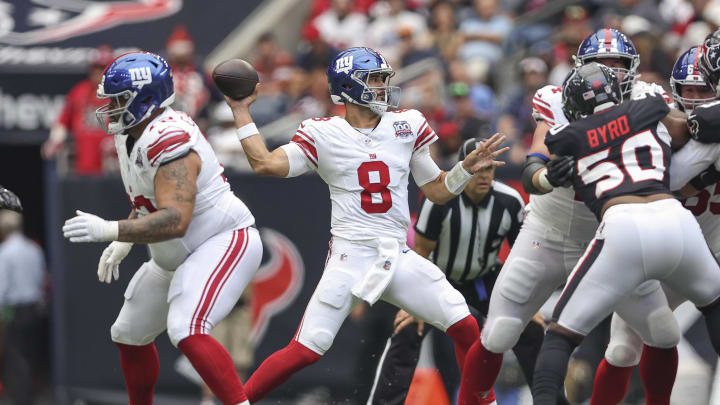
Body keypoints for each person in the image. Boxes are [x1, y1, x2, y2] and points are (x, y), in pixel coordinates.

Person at [223, 47, 508, 404]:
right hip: (351, 255)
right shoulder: (323, 132)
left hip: (397, 252)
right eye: (374, 79)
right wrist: (240, 111)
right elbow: (265, 164)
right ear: (348, 86)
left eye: (382, 79)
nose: (382, 86)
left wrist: (464, 169)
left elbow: (436, 191)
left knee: (467, 327)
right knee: (307, 349)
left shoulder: (406, 125)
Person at [458, 28, 685, 405]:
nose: (609, 73)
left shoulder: (649, 98)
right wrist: (546, 177)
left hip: (612, 241)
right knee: (499, 332)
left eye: (618, 64)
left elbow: (685, 131)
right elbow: (533, 167)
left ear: (633, 69)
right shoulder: (557, 99)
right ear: (581, 68)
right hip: (549, 235)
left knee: (662, 332)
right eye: (601, 64)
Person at [61, 52, 260, 405]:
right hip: (177, 252)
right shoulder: (131, 135)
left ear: (146, 99)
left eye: (119, 99)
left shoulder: (169, 137)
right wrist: (126, 233)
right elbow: (148, 201)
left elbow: (175, 219)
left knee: (187, 328)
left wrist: (113, 231)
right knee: (128, 332)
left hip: (220, 240)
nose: (110, 107)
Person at [531, 62, 720, 404]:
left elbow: (554, 148)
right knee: (714, 305)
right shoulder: (648, 108)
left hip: (624, 227)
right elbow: (687, 133)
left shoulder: (566, 136)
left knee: (560, 334)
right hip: (676, 221)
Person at [366, 138, 556, 405]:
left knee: (531, 328)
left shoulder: (509, 201)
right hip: (439, 279)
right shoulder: (439, 201)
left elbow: (520, 255)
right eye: (477, 169)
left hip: (486, 279)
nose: (483, 176)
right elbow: (420, 252)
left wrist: (529, 303)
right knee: (408, 329)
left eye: (489, 169)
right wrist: (413, 303)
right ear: (464, 168)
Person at [589, 45, 720, 405]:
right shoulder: (663, 124)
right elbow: (669, 178)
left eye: (702, 90)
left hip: (713, 244)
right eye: (687, 90)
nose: (694, 99)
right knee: (623, 349)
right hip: (672, 251)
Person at [42, 45, 116, 175]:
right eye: (95, 68)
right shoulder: (79, 91)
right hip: (84, 162)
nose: (98, 72)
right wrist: (54, 140)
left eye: (103, 68)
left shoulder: (120, 93)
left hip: (113, 165)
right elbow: (62, 121)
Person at [0, 209, 46, 405]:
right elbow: (42, 280)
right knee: (30, 354)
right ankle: (30, 395)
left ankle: (22, 399)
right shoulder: (34, 250)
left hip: (15, 311)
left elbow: (2, 287)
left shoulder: (5, 252)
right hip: (35, 308)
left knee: (16, 357)